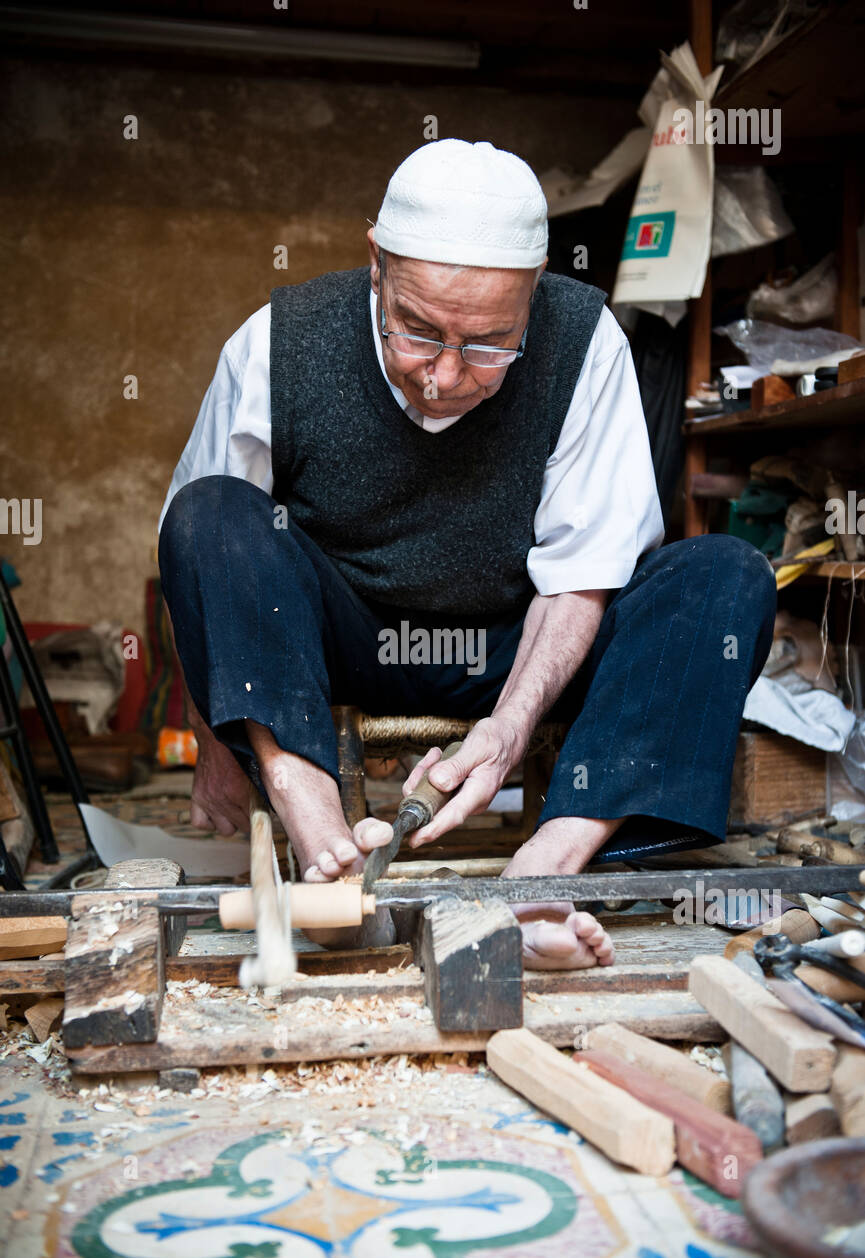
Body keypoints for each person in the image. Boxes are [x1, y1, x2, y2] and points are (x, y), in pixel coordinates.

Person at [158, 139, 776, 971]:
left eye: (488, 344)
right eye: (417, 332)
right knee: (212, 509)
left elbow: (582, 575)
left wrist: (510, 728)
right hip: (341, 639)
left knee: (721, 575)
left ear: (533, 290)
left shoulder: (584, 342)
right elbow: (205, 560)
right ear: (375, 264)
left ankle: (545, 875)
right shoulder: (277, 344)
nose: (445, 376)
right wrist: (222, 744)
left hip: (512, 642)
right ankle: (324, 844)